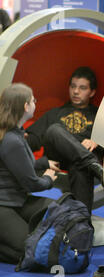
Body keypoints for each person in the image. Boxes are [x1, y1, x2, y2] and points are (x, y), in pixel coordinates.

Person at [25, 66, 104, 213]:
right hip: (57, 157)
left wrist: (97, 142)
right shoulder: (55, 113)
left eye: (82, 88)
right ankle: (90, 162)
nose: (75, 91)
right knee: (54, 130)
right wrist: (17, 134)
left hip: (79, 163)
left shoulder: (99, 116)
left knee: (80, 167)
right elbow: (33, 140)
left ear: (92, 92)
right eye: (73, 86)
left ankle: (81, 222)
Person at [0, 83, 59, 264]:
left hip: (16, 200)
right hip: (4, 205)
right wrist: (48, 179)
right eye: (33, 100)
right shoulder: (12, 140)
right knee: (30, 252)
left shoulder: (13, 133)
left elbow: (20, 165)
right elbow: (31, 183)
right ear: (26, 107)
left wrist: (43, 163)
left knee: (57, 209)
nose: (35, 103)